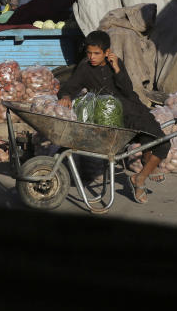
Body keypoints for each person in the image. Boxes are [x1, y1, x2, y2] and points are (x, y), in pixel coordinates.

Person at [57, 30, 170, 204]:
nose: (92, 57)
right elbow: (70, 86)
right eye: (89, 53)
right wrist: (65, 96)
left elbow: (127, 89)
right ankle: (140, 180)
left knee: (162, 144)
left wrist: (117, 68)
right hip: (113, 118)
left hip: (135, 109)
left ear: (107, 52)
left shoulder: (116, 64)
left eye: (97, 53)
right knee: (154, 142)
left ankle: (142, 171)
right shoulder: (85, 68)